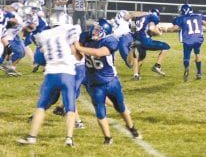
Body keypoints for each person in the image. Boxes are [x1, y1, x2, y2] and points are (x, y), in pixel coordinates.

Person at [17, 12, 82, 146]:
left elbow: (40, 56)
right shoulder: (71, 29)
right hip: (67, 73)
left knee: (41, 107)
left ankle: (32, 137)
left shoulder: (45, 34)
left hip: (51, 73)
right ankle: (69, 139)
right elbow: (76, 54)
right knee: (70, 107)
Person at [74, 18, 142, 145]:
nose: (94, 32)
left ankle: (131, 128)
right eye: (94, 29)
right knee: (100, 112)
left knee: (121, 108)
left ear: (105, 32)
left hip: (111, 81)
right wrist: (76, 48)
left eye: (98, 30)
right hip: (94, 84)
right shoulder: (86, 38)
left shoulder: (111, 41)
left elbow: (98, 53)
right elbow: (78, 56)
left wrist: (79, 47)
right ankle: (107, 138)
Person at [163, 4, 206, 82]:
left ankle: (187, 68)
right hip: (198, 39)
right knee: (197, 54)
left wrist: (165, 29)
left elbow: (174, 28)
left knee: (186, 57)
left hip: (187, 40)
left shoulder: (181, 18)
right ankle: (199, 73)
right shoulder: (198, 16)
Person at [132, 9, 170, 80]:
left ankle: (136, 74)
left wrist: (157, 30)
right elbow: (151, 28)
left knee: (142, 56)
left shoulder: (140, 17)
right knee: (166, 47)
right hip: (145, 40)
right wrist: (159, 33)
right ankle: (157, 66)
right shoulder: (152, 17)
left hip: (137, 40)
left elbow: (146, 31)